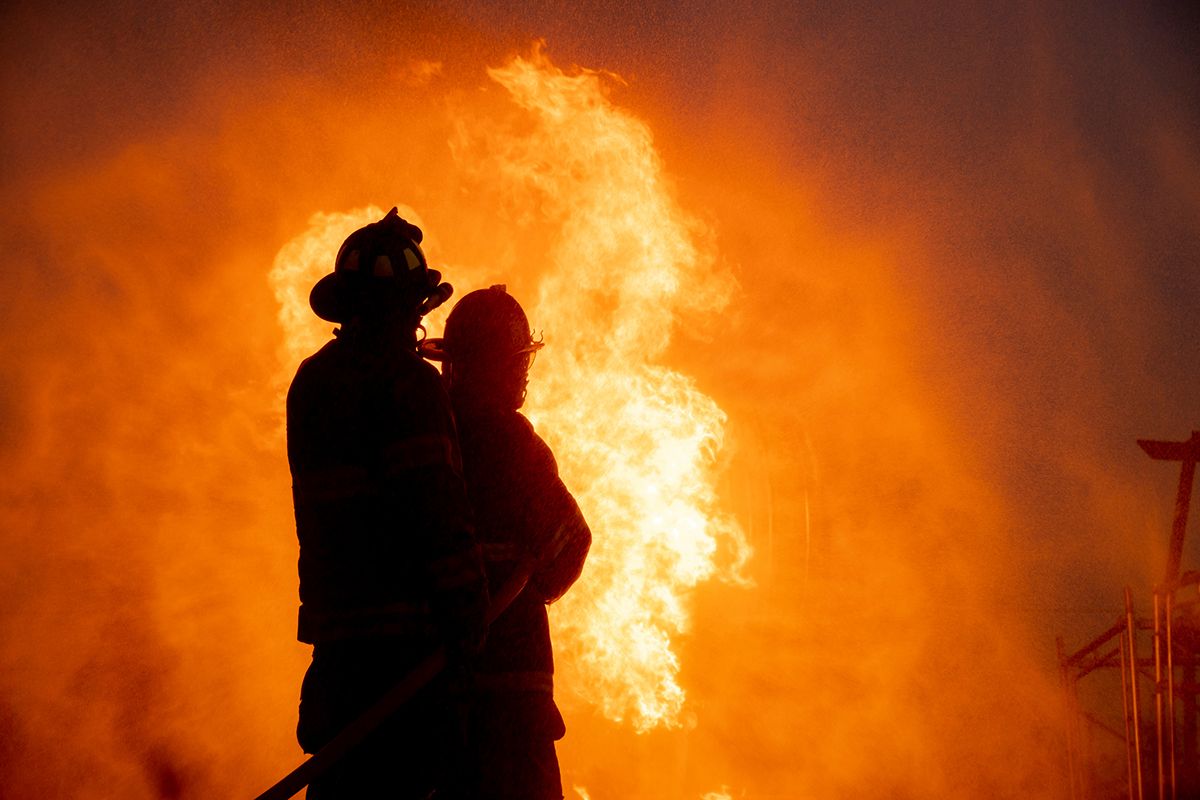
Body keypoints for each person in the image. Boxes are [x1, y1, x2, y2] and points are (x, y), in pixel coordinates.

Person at [286, 208, 488, 799]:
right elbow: (436, 510)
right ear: (409, 308)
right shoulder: (410, 384)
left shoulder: (313, 383)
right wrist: (469, 618)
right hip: (407, 661)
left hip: (339, 658)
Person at [422, 285, 591, 800]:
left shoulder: (425, 438)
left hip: (430, 700)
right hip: (514, 700)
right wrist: (529, 581)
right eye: (518, 363)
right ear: (502, 367)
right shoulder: (517, 446)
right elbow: (572, 541)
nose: (522, 375)